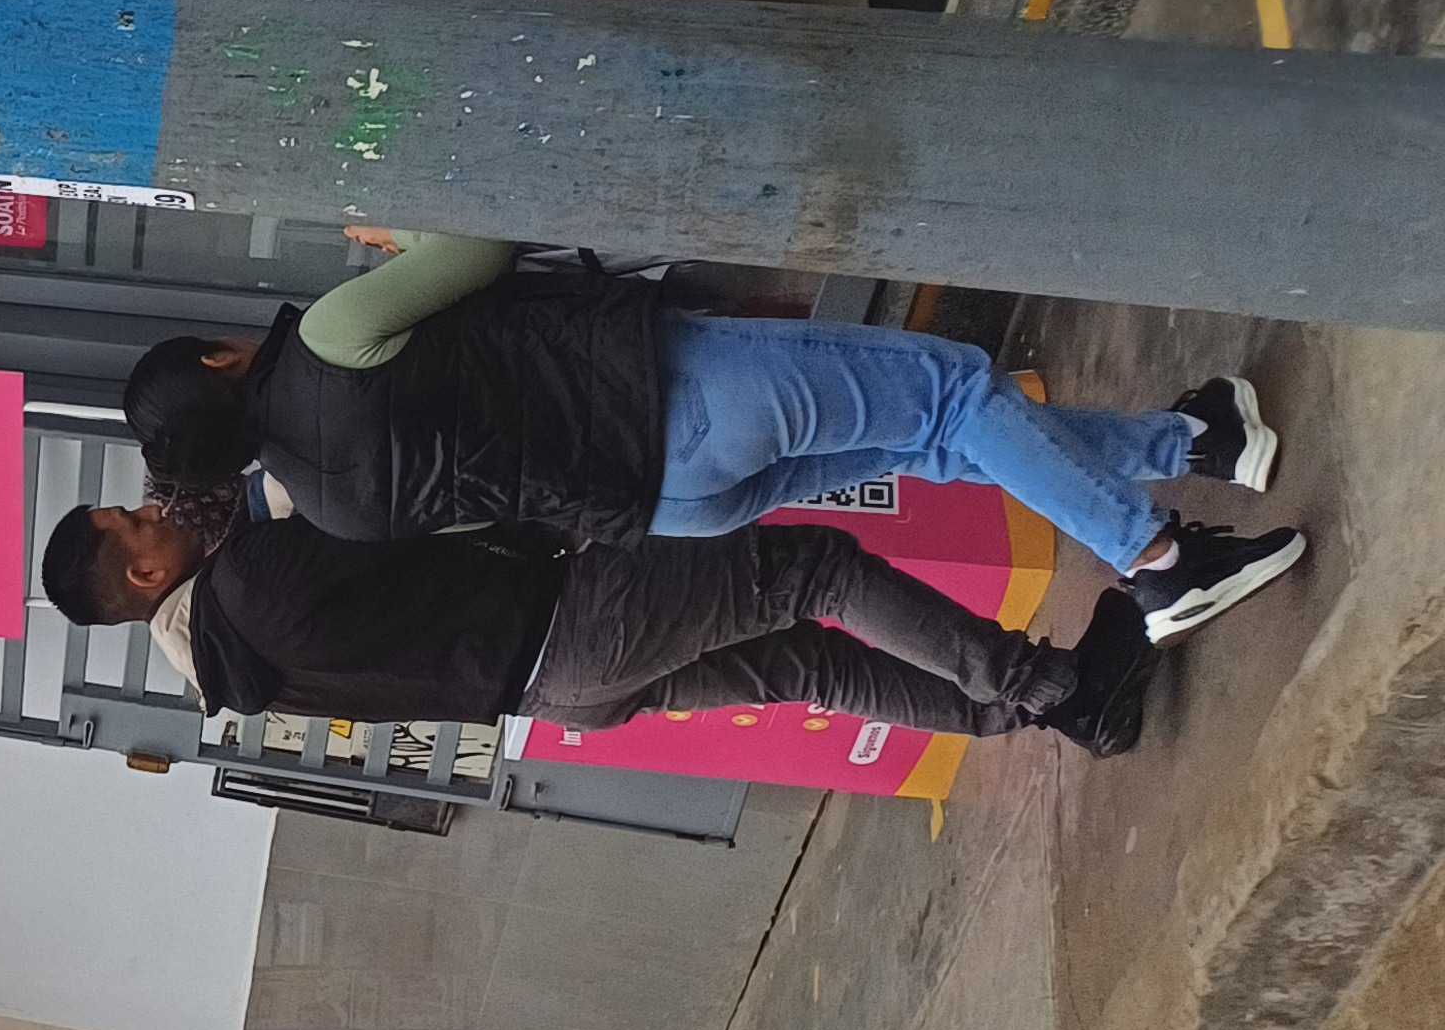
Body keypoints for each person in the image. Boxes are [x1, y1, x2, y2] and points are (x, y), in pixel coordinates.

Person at [117, 228, 1303, 642]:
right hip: (672, 394)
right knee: (950, 393)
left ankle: (1190, 445)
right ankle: (1155, 560)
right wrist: (398, 236)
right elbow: (477, 248)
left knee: (933, 441)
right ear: (220, 364)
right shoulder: (328, 339)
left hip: (660, 507)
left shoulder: (330, 508)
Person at [36, 500, 1159, 756]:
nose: (158, 509)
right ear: (143, 572)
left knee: (807, 664)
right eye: (139, 521)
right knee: (809, 569)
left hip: (555, 696)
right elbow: (407, 521)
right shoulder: (254, 574)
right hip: (577, 618)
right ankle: (1052, 689)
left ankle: (1014, 715)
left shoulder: (229, 666)